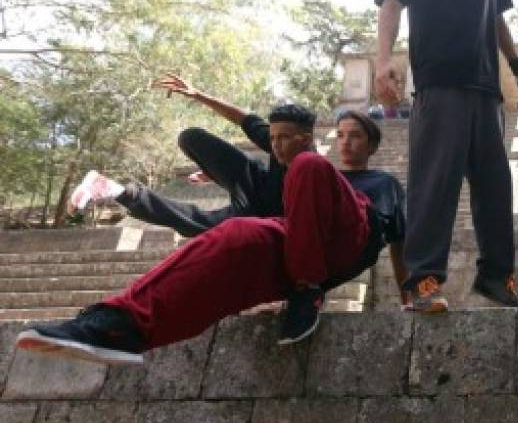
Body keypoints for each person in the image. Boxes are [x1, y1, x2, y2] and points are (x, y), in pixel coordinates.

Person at [15, 110, 406, 362]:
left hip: (351, 237)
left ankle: (307, 286)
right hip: (298, 240)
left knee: (306, 167)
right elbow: (260, 135)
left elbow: (401, 240)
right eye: (340, 134)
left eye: (355, 135)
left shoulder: (381, 182)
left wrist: (411, 294)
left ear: (373, 143)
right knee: (236, 234)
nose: (345, 141)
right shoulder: (291, 172)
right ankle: (120, 325)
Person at [373, 0, 518, 313]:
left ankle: (497, 277)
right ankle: (422, 281)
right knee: (434, 184)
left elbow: (497, 19)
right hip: (438, 87)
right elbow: (390, 5)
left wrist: (517, 68)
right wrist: (384, 60)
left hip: (485, 91)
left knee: (494, 186)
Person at [68, 75, 310, 237]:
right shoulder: (277, 137)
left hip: (263, 217)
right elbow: (242, 117)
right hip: (255, 181)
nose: (275, 144)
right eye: (273, 138)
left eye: (284, 139)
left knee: (196, 222)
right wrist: (197, 94)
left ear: (305, 139)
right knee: (190, 137)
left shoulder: (316, 171)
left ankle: (114, 190)